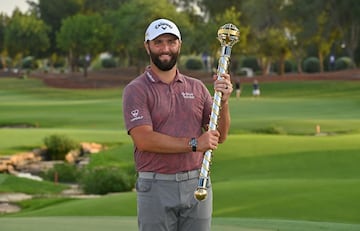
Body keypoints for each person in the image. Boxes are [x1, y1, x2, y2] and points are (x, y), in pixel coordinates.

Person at [122, 18, 233, 231]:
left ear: (179, 45)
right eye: (159, 42)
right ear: (147, 46)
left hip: (197, 184)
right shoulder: (136, 90)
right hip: (155, 185)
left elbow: (220, 135)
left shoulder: (197, 87)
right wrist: (194, 143)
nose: (165, 48)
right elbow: (143, 139)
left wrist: (224, 102)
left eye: (171, 42)